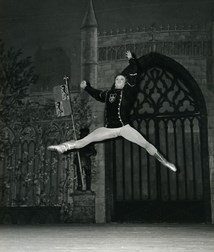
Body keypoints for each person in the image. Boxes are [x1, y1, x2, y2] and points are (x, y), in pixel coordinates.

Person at [48, 51, 177, 172]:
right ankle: (63, 147)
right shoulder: (108, 93)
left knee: (145, 144)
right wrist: (86, 87)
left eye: (121, 80)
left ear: (125, 83)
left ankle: (165, 162)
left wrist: (131, 59)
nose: (119, 81)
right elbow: (97, 94)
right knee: (85, 141)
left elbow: (134, 72)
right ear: (114, 82)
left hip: (124, 128)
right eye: (117, 79)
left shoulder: (128, 91)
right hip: (109, 129)